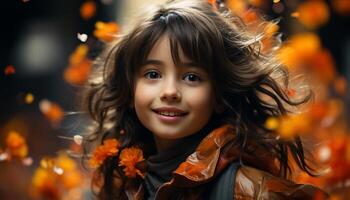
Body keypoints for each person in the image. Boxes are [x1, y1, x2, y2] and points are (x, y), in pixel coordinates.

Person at [82, 0, 328, 199]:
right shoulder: (117, 186)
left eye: (191, 77)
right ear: (129, 90)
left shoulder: (249, 191)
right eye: (153, 74)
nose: (170, 91)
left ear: (219, 96)